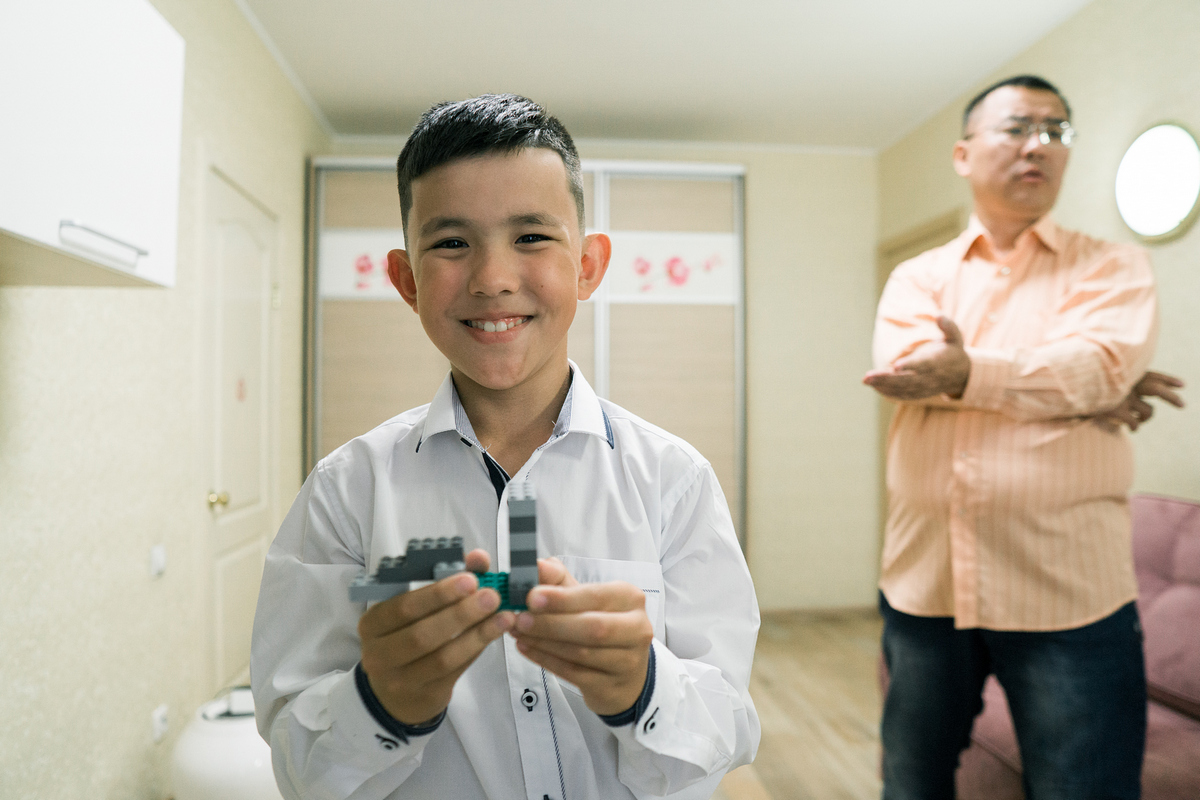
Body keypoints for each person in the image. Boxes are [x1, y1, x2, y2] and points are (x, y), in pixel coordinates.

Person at [251, 94, 760, 800]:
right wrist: (379, 705)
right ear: (406, 280)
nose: (493, 278)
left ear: (588, 265)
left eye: (531, 237)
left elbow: (728, 727)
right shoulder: (346, 492)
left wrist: (644, 689)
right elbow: (296, 760)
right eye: (451, 243)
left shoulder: (675, 482)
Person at [863, 75, 1185, 800]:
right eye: (1016, 127)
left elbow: (1100, 366)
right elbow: (908, 369)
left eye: (1056, 130)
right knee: (912, 783)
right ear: (963, 153)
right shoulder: (919, 277)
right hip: (926, 586)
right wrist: (1072, 392)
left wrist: (973, 373)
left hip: (1070, 594)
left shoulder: (1115, 267)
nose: (1037, 144)